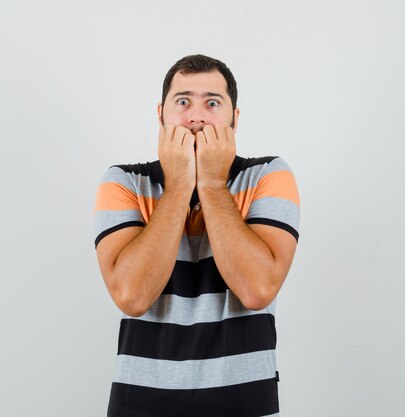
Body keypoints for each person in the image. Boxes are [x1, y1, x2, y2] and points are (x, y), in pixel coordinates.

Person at [93, 54, 300, 417]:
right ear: (161, 114)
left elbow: (257, 289)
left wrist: (212, 184)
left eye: (213, 103)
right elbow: (132, 296)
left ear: (235, 119)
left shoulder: (269, 175)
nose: (197, 116)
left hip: (244, 405)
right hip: (140, 405)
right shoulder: (123, 181)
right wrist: (178, 188)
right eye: (183, 101)